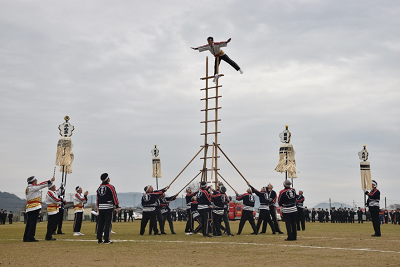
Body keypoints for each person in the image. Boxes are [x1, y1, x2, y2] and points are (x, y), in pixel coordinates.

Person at [23, 176, 55, 242]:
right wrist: (50, 181)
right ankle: (30, 237)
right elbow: (41, 185)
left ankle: (26, 237)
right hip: (34, 207)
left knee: (29, 223)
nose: (36, 181)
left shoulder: (28, 188)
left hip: (30, 207)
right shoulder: (32, 187)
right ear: (33, 181)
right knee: (33, 223)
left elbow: (40, 185)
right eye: (35, 180)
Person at [96, 173, 120, 244]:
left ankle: (99, 239)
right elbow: (114, 197)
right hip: (108, 207)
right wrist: (117, 206)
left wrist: (98, 206)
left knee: (100, 223)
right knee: (108, 223)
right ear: (107, 179)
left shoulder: (99, 187)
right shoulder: (110, 187)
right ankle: (106, 239)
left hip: (101, 207)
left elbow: (97, 198)